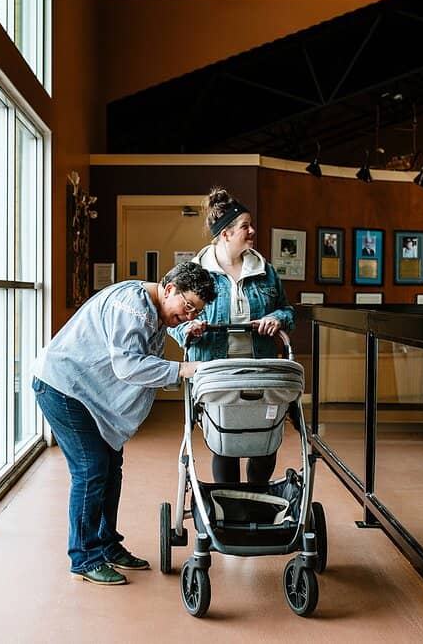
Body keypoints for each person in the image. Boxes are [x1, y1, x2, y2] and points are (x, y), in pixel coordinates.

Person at [32, 262, 217, 586]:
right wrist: (183, 370)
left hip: (87, 394)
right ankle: (84, 557)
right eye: (188, 307)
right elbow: (128, 366)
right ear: (169, 288)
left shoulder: (153, 308)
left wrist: (183, 330)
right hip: (64, 387)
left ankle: (107, 544)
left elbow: (150, 345)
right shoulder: (133, 306)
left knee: (110, 467)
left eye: (195, 313)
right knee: (91, 470)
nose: (189, 315)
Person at [169, 186, 295, 484]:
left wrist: (277, 318)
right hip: (217, 372)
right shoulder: (196, 272)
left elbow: (287, 310)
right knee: (226, 442)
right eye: (244, 226)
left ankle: (256, 498)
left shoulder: (266, 271)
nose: (252, 231)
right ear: (225, 233)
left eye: (250, 225)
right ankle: (231, 504)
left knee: (264, 441)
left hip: (260, 370)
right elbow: (172, 320)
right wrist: (188, 328)